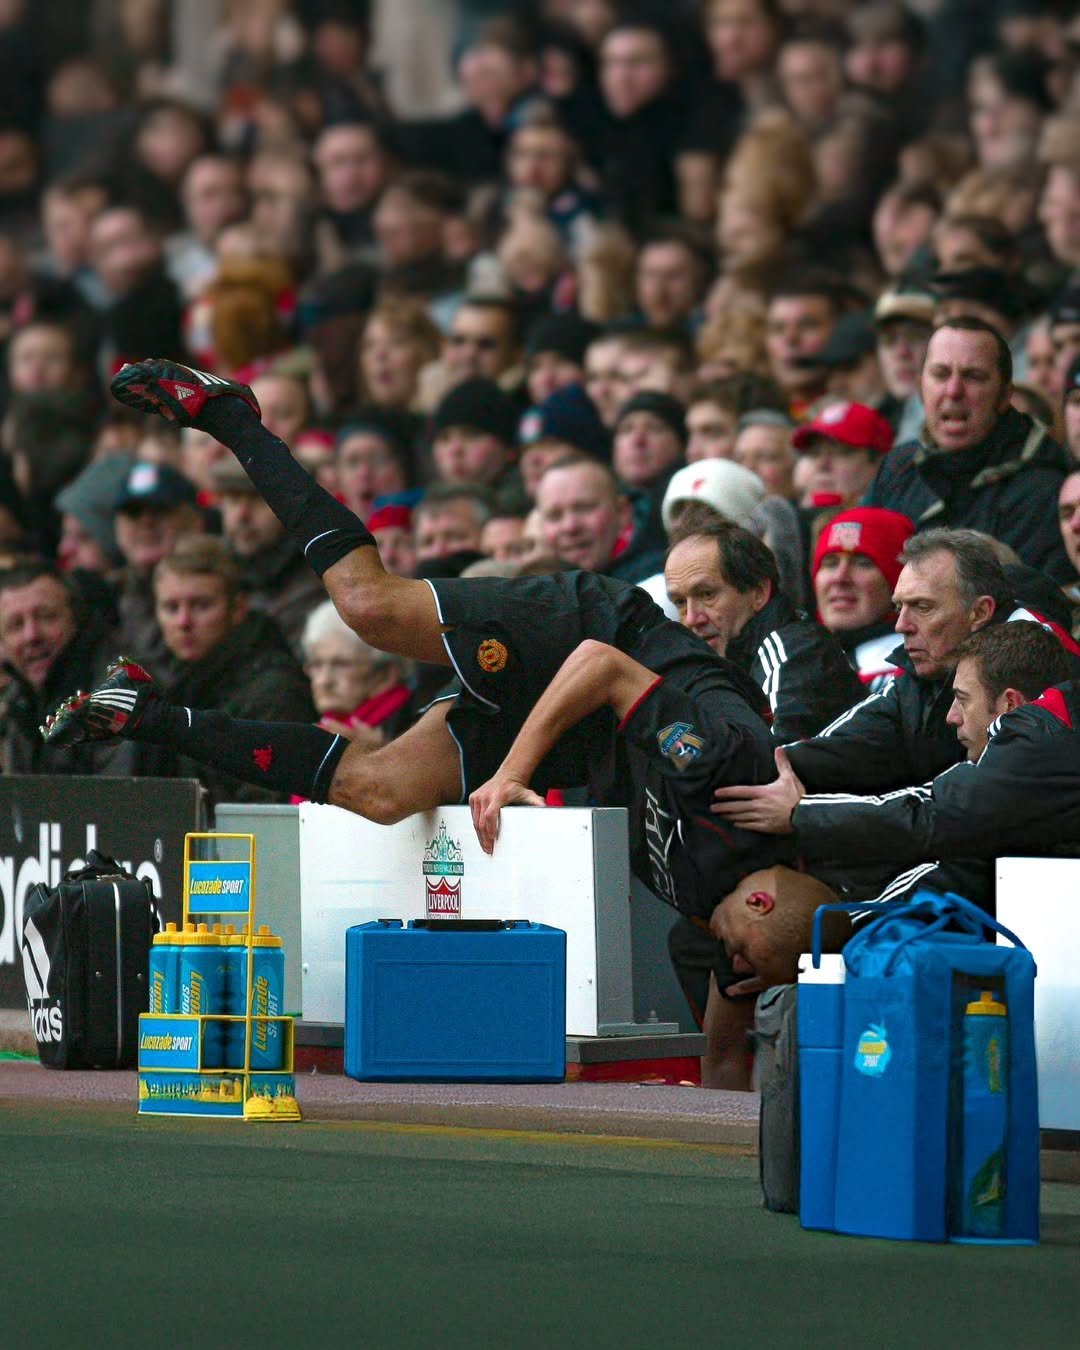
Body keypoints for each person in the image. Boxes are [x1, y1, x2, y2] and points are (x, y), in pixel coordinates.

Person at [44, 357, 781, 947]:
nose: (693, 617)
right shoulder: (742, 748)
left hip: (579, 727)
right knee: (369, 605)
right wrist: (511, 774)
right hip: (595, 635)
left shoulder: (719, 898)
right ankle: (233, 418)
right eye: (689, 595)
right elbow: (600, 662)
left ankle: (147, 710)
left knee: (381, 792)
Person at [710, 623, 1076, 979]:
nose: (951, 717)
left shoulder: (1039, 744)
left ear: (1009, 704)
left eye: (963, 700)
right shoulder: (1043, 744)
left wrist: (800, 814)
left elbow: (928, 813)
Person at [865, 317, 1072, 581]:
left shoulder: (1041, 489)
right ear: (920, 388)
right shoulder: (897, 467)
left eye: (973, 377)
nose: (953, 391)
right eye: (940, 374)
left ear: (1004, 396)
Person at [137, 534, 316, 809]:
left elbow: (265, 813)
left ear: (238, 609)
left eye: (201, 605)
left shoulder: (274, 691)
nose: (184, 622)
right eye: (171, 607)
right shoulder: (160, 680)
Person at [665, 519, 863, 744]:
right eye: (680, 602)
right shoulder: (710, 666)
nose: (692, 618)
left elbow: (775, 762)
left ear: (758, 593)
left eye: (707, 594)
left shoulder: (794, 653)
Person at [0, 560, 129, 776]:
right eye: (16, 625)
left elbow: (123, 803)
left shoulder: (121, 693)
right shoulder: (19, 702)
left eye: (47, 617)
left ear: (76, 620)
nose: (32, 635)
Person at [811, 507, 916, 685]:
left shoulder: (907, 675)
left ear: (900, 579)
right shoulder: (795, 662)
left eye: (863, 563)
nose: (840, 577)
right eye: (830, 563)